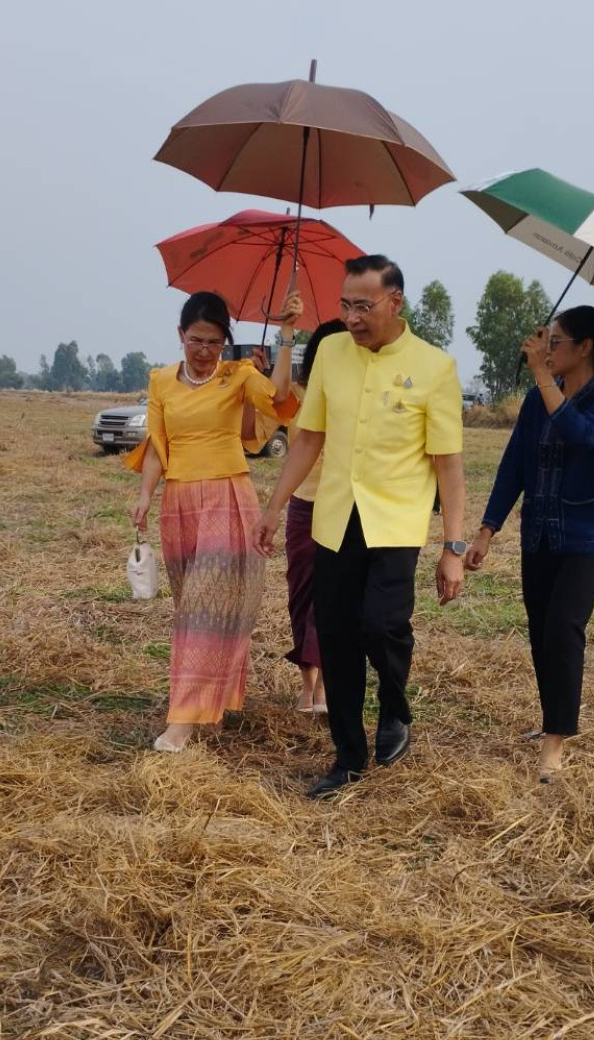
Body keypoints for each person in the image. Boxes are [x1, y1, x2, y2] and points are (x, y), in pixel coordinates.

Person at [252, 255, 466, 799]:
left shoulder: (434, 366)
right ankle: (348, 756)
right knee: (338, 635)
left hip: (396, 523)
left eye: (364, 306)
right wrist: (273, 506)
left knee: (382, 625)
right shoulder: (331, 354)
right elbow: (309, 437)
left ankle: (394, 705)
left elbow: (448, 464)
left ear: (395, 302)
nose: (352, 317)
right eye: (345, 305)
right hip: (335, 519)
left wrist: (453, 547)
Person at [465, 306, 594, 782]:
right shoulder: (536, 399)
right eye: (547, 340)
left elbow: (582, 436)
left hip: (587, 536)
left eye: (556, 342)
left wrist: (542, 377)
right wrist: (487, 528)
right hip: (539, 532)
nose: (547, 349)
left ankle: (556, 739)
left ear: (586, 347)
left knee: (563, 626)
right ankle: (550, 720)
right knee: (542, 631)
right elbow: (514, 465)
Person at [129, 290, 298, 752]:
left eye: (214, 342)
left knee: (204, 609)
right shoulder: (161, 382)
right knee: (193, 608)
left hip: (227, 499)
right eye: (196, 340)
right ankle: (211, 706)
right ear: (180, 335)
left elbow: (281, 398)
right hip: (179, 505)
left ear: (226, 341)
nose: (204, 351)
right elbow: (157, 445)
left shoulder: (239, 375)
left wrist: (285, 335)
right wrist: (145, 495)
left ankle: (182, 720)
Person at [277, 318, 346, 713]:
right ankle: (308, 685)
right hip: (303, 505)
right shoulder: (299, 394)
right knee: (301, 595)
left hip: (344, 506)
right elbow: (276, 394)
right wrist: (287, 334)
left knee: (331, 598)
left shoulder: (357, 396)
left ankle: (325, 688)